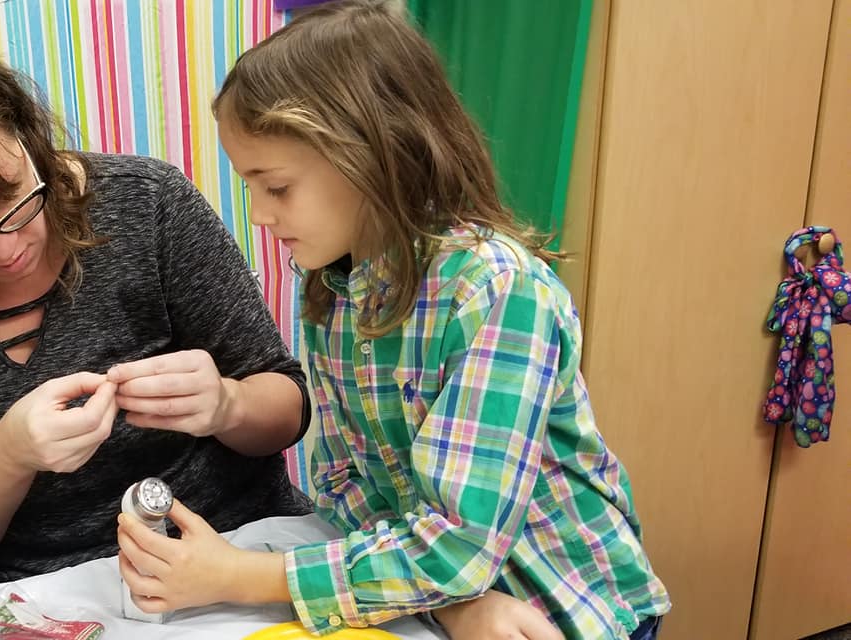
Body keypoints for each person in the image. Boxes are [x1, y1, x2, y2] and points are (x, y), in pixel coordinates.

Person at [115, 2, 672, 639]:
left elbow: (459, 540)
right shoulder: (334, 291)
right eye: (251, 189)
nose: (260, 217)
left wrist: (236, 576)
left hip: (568, 613)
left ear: (369, 157)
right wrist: (455, 603)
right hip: (449, 604)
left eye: (276, 187)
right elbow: (344, 481)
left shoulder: (496, 289)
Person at [0, 21, 314, 598]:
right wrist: (6, 456)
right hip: (25, 599)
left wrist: (228, 403)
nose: (6, 249)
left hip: (225, 548)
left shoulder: (147, 204)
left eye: (11, 198)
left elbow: (287, 407)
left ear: (28, 137)